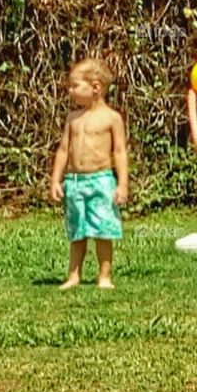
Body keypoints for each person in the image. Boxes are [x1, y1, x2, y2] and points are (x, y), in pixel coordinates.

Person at [50, 58, 129, 290]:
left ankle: (104, 276)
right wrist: (56, 179)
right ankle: (74, 275)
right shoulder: (73, 119)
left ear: (95, 87)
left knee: (103, 230)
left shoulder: (112, 118)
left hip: (101, 180)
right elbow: (64, 150)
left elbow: (120, 152)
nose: (71, 91)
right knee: (77, 231)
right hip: (74, 182)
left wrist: (122, 184)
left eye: (75, 86)